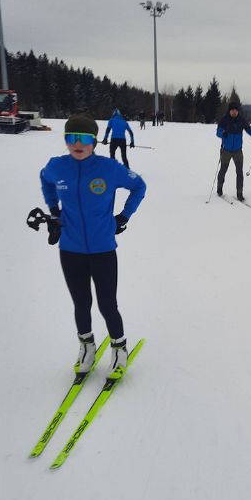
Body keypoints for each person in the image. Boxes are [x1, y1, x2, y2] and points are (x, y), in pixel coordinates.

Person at [39, 114, 146, 375]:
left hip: (103, 249)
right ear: (66, 140)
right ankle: (86, 347)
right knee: (81, 303)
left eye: (84, 138)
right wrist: (53, 210)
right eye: (72, 138)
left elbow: (139, 186)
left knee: (107, 304)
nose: (78, 144)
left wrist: (123, 217)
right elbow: (45, 179)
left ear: (94, 142)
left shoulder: (109, 168)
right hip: (70, 249)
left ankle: (119, 349)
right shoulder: (56, 166)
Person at [215, 103, 251, 201]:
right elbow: (218, 132)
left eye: (236, 110)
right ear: (229, 111)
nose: (234, 112)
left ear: (238, 111)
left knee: (239, 172)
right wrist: (223, 134)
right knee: (223, 170)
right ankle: (219, 188)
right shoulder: (224, 120)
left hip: (238, 151)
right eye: (232, 110)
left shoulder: (241, 120)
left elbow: (249, 130)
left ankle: (239, 193)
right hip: (226, 150)